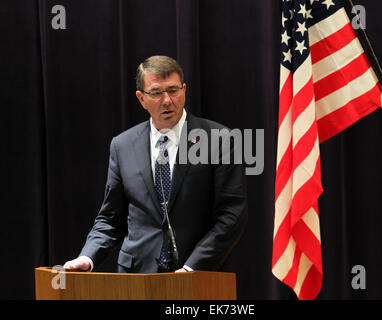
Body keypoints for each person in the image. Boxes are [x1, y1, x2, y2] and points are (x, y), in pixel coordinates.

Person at [64, 55, 247, 273]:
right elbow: (111, 219)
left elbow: (232, 213)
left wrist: (193, 266)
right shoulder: (123, 146)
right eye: (157, 93)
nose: (167, 100)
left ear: (184, 90)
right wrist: (88, 256)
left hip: (198, 274)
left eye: (173, 90)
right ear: (141, 98)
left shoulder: (219, 139)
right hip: (138, 278)